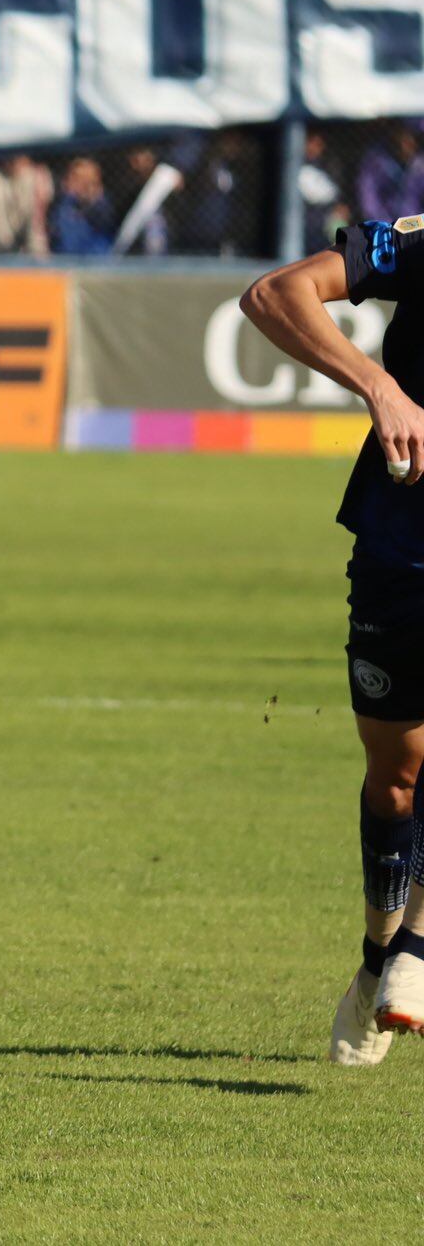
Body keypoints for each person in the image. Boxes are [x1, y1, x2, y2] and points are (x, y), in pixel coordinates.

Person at [240, 217, 424, 1065]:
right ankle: (376, 961)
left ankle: (416, 957)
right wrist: (379, 386)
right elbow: (274, 294)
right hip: (400, 550)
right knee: (396, 779)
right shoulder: (419, 244)